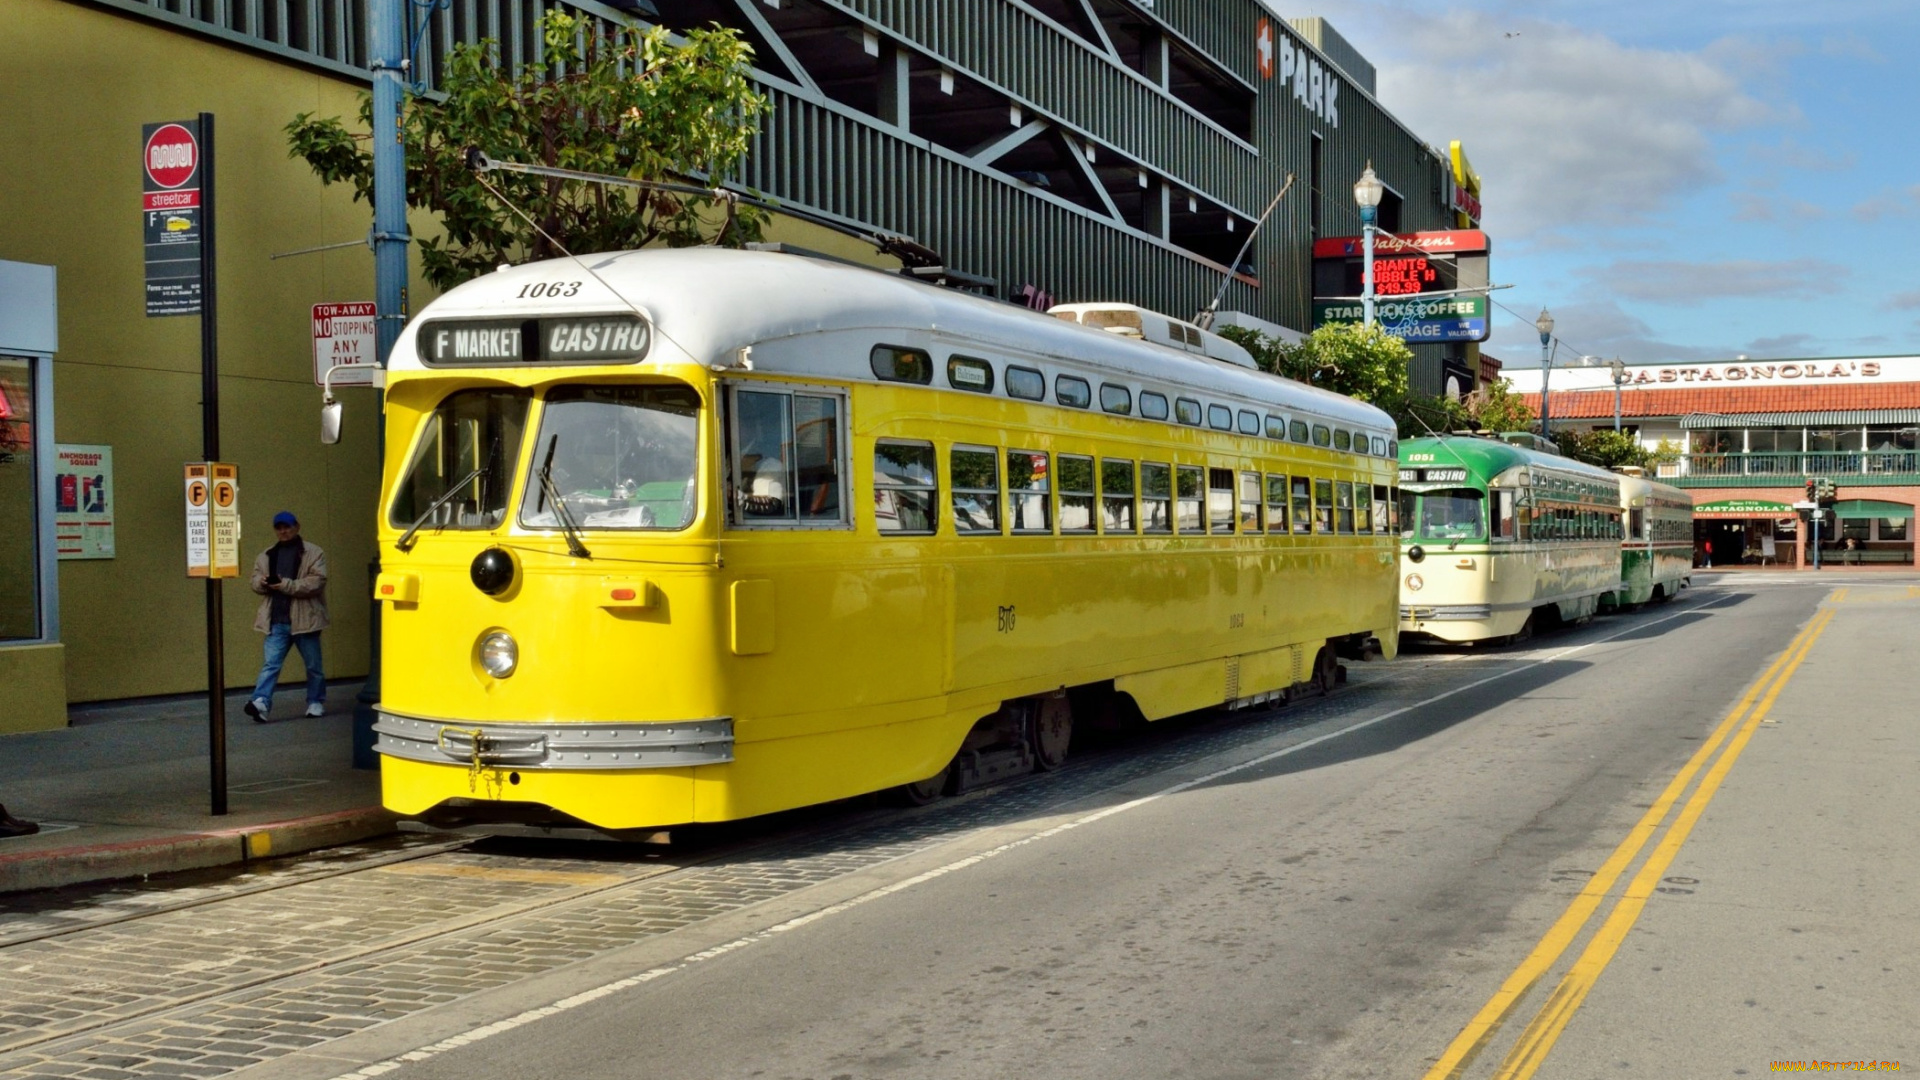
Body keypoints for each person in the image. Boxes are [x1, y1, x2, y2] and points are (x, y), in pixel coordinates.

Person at [244, 511, 329, 722]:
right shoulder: (267, 555)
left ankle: (315, 701)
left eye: (287, 526)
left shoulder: (313, 552)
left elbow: (317, 582)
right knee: (271, 664)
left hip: (305, 620)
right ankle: (261, 702)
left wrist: (285, 585)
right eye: (279, 527)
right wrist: (262, 583)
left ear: (297, 527)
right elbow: (253, 581)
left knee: (313, 666)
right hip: (276, 619)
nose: (283, 531)